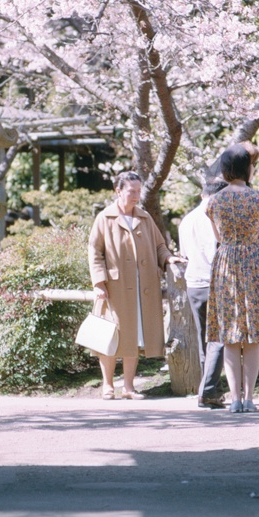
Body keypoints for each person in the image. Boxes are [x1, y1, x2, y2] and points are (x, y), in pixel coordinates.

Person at [88, 171, 186, 400]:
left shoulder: (144, 218)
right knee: (111, 335)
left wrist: (169, 259)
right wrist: (99, 282)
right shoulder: (105, 218)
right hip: (114, 287)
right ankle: (108, 385)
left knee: (134, 336)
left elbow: (160, 245)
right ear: (118, 190)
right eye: (131, 191)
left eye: (138, 192)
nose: (135, 196)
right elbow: (94, 252)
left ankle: (129, 387)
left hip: (144, 288)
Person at [205, 143, 259, 413]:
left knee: (230, 336)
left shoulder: (214, 201)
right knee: (251, 336)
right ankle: (249, 398)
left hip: (226, 263)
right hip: (254, 261)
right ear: (247, 168)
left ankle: (235, 400)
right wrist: (256, 235)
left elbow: (218, 237)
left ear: (225, 170)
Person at [178, 177, 229, 409]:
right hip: (214, 281)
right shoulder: (216, 216)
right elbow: (217, 252)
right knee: (218, 337)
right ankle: (208, 391)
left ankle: (209, 388)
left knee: (203, 338)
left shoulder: (186, 220)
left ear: (202, 195)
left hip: (193, 282)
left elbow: (185, 252)